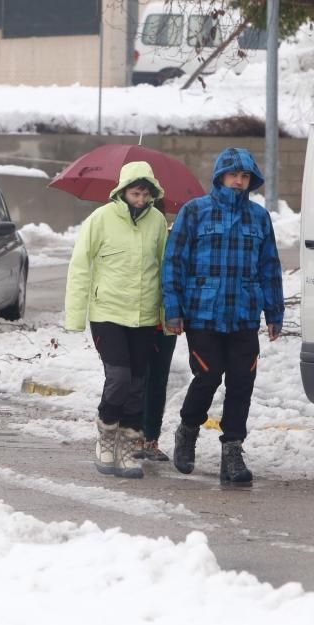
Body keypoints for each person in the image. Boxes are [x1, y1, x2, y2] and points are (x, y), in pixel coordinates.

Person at [161, 147, 284, 486]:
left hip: (244, 313)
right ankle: (187, 430)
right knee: (209, 375)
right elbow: (174, 263)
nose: (239, 181)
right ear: (219, 177)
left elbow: (269, 266)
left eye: (245, 177)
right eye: (233, 175)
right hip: (203, 313)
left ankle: (232, 449)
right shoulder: (194, 212)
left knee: (242, 382)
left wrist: (273, 310)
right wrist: (173, 308)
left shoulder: (258, 218)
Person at [65, 161, 169, 479]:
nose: (140, 200)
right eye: (135, 193)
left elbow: (165, 270)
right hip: (107, 313)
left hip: (144, 315)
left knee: (138, 385)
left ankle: (127, 447)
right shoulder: (101, 220)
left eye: (145, 194)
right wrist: (75, 315)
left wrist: (166, 316)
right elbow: (80, 265)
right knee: (120, 378)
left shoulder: (157, 222)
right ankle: (106, 435)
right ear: (122, 191)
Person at [135, 198, 177, 462]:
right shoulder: (133, 239)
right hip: (137, 318)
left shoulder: (173, 239)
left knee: (158, 381)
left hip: (164, 322)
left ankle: (151, 438)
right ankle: (131, 435)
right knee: (135, 379)